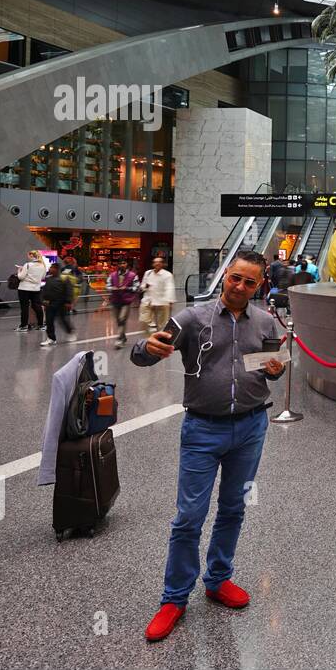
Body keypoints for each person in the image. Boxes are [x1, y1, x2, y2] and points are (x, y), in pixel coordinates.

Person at [130, 251, 286, 642]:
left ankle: (218, 580)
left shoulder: (265, 321)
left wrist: (277, 368)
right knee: (189, 517)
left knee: (233, 509)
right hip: (202, 429)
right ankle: (174, 598)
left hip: (251, 427)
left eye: (250, 282)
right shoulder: (192, 318)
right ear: (225, 276)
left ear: (259, 285)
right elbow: (145, 354)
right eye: (236, 278)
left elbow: (274, 366)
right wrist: (146, 349)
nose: (240, 287)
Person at [39, 263, 75, 347]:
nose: (50, 269)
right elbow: (44, 290)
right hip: (50, 303)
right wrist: (43, 300)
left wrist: (68, 302)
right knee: (49, 321)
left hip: (61, 303)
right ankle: (51, 339)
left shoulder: (64, 279)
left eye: (52, 268)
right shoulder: (49, 279)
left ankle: (70, 331)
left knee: (63, 320)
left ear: (56, 269)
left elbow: (69, 291)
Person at [106, 259, 139, 347]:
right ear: (118, 265)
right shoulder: (112, 275)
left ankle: (119, 339)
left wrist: (127, 288)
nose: (122, 265)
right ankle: (123, 337)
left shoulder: (133, 275)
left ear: (127, 264)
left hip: (126, 302)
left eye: (124, 263)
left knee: (122, 319)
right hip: (115, 301)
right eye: (120, 263)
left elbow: (136, 287)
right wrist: (112, 288)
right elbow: (107, 286)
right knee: (118, 321)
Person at [140, 256, 176, 332]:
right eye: (155, 262)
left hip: (162, 303)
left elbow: (170, 288)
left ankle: (160, 339)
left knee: (162, 325)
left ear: (163, 264)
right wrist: (145, 286)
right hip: (149, 302)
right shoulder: (148, 273)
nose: (157, 264)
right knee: (146, 322)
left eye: (159, 262)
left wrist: (170, 301)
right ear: (153, 264)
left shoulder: (167, 275)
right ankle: (151, 337)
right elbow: (142, 287)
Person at [15, 250, 47, 332]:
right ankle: (41, 325)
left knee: (24, 307)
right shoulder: (43, 265)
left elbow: (21, 277)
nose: (28, 257)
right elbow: (43, 277)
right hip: (36, 289)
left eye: (29, 255)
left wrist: (19, 270)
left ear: (32, 255)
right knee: (37, 306)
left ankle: (24, 326)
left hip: (24, 289)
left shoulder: (27, 265)